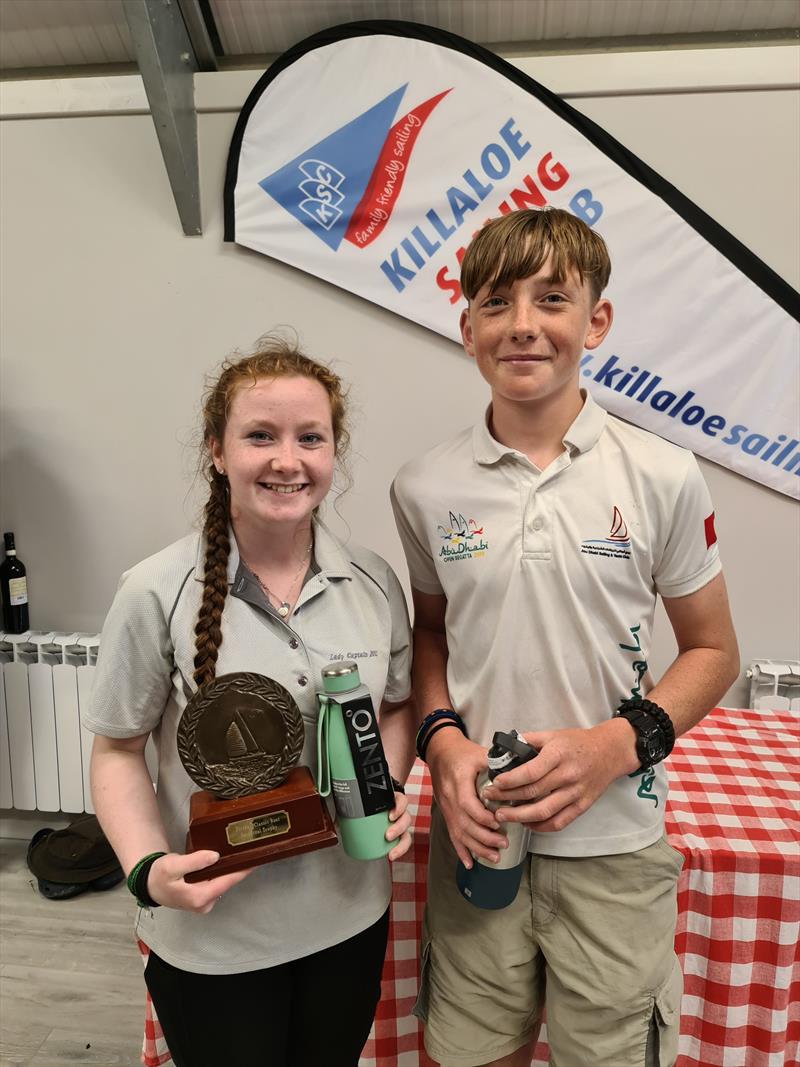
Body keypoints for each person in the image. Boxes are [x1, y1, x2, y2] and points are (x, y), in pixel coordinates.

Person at [390, 208, 739, 1067]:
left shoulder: (661, 473)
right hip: (480, 832)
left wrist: (618, 743)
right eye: (497, 300)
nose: (523, 324)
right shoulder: (424, 485)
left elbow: (713, 651)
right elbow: (430, 635)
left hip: (616, 841)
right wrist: (441, 746)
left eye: (552, 298)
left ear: (597, 319)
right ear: (466, 323)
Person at [84, 336, 417, 1067]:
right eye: (259, 435)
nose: (286, 459)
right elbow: (116, 749)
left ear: (335, 452)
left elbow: (396, 705)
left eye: (310, 437)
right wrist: (146, 868)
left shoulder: (375, 581)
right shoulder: (154, 589)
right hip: (214, 936)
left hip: (348, 917)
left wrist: (382, 784)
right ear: (216, 449)